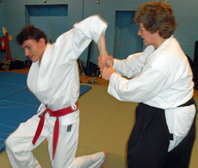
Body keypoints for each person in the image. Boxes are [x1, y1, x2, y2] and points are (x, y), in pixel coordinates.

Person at [98, 1, 197, 168]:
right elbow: (135, 65)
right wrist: (113, 64)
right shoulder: (158, 47)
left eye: (142, 28)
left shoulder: (166, 59)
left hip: (168, 117)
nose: (138, 33)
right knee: (138, 154)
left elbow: (133, 90)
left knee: (143, 161)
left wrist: (111, 76)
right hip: (157, 109)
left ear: (156, 30)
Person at [5, 15, 108, 168]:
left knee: (63, 166)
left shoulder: (62, 49)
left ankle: (100, 158)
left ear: (41, 42)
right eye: (24, 49)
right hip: (46, 115)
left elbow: (92, 24)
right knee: (14, 144)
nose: (26, 53)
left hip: (66, 119)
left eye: (28, 47)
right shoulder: (36, 64)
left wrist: (103, 53)